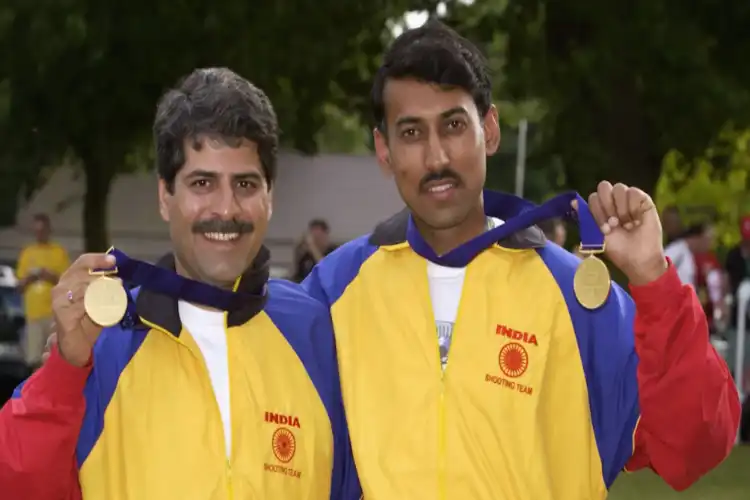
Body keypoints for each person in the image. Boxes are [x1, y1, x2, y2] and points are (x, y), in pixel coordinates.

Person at [302, 22, 739, 499]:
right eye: (411, 132)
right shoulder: (333, 291)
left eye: (454, 125)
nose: (436, 156)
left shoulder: (577, 300)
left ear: (489, 130)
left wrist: (652, 279)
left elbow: (698, 445)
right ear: (384, 150)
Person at [0, 68, 361, 499]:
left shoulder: (314, 332)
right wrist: (62, 371)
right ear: (164, 196)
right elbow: (19, 485)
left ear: (270, 196)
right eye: (202, 183)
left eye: (245, 184)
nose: (226, 208)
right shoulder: (104, 345)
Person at [15, 213, 70, 369]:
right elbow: (19, 286)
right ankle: (35, 392)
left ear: (48, 230)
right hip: (33, 314)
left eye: (42, 230)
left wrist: (50, 276)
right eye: (36, 231)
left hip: (54, 314)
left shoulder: (58, 252)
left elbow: (67, 283)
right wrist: (30, 278)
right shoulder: (27, 253)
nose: (40, 233)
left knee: (53, 358)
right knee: (34, 359)